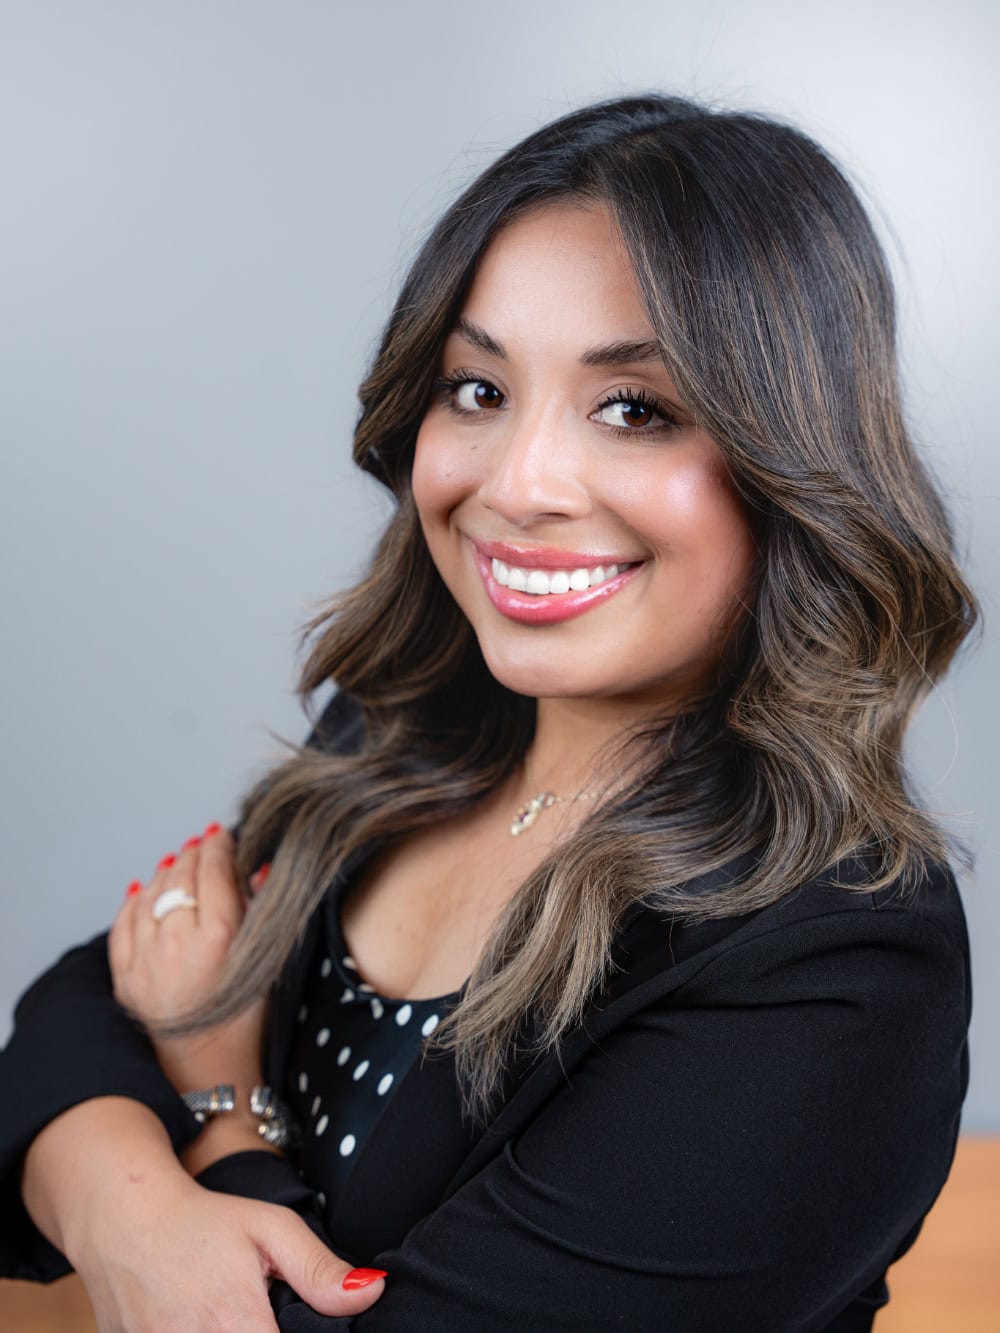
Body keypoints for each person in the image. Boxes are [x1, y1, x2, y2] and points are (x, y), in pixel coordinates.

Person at [0, 93, 977, 1332]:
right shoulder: (403, 726)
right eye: (476, 389)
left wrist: (224, 1112)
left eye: (635, 408)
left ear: (794, 462)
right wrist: (129, 1214)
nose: (518, 484)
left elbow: (181, 1025)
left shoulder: (835, 957)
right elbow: (91, 1004)